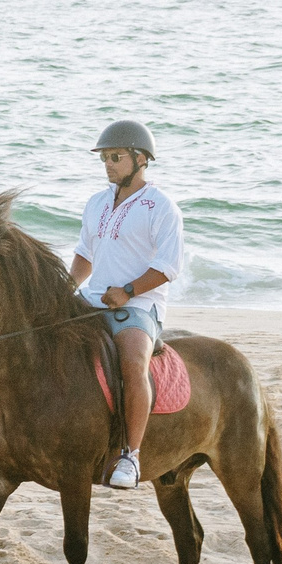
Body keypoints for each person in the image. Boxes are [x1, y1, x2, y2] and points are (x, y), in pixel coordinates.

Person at [70, 119, 185, 492]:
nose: (108, 164)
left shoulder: (161, 206)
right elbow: (85, 254)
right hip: (91, 300)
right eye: (104, 158)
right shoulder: (96, 202)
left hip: (139, 307)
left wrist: (129, 290)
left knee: (133, 364)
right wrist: (66, 288)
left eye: (115, 157)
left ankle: (130, 455)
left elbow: (169, 266)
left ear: (141, 159)